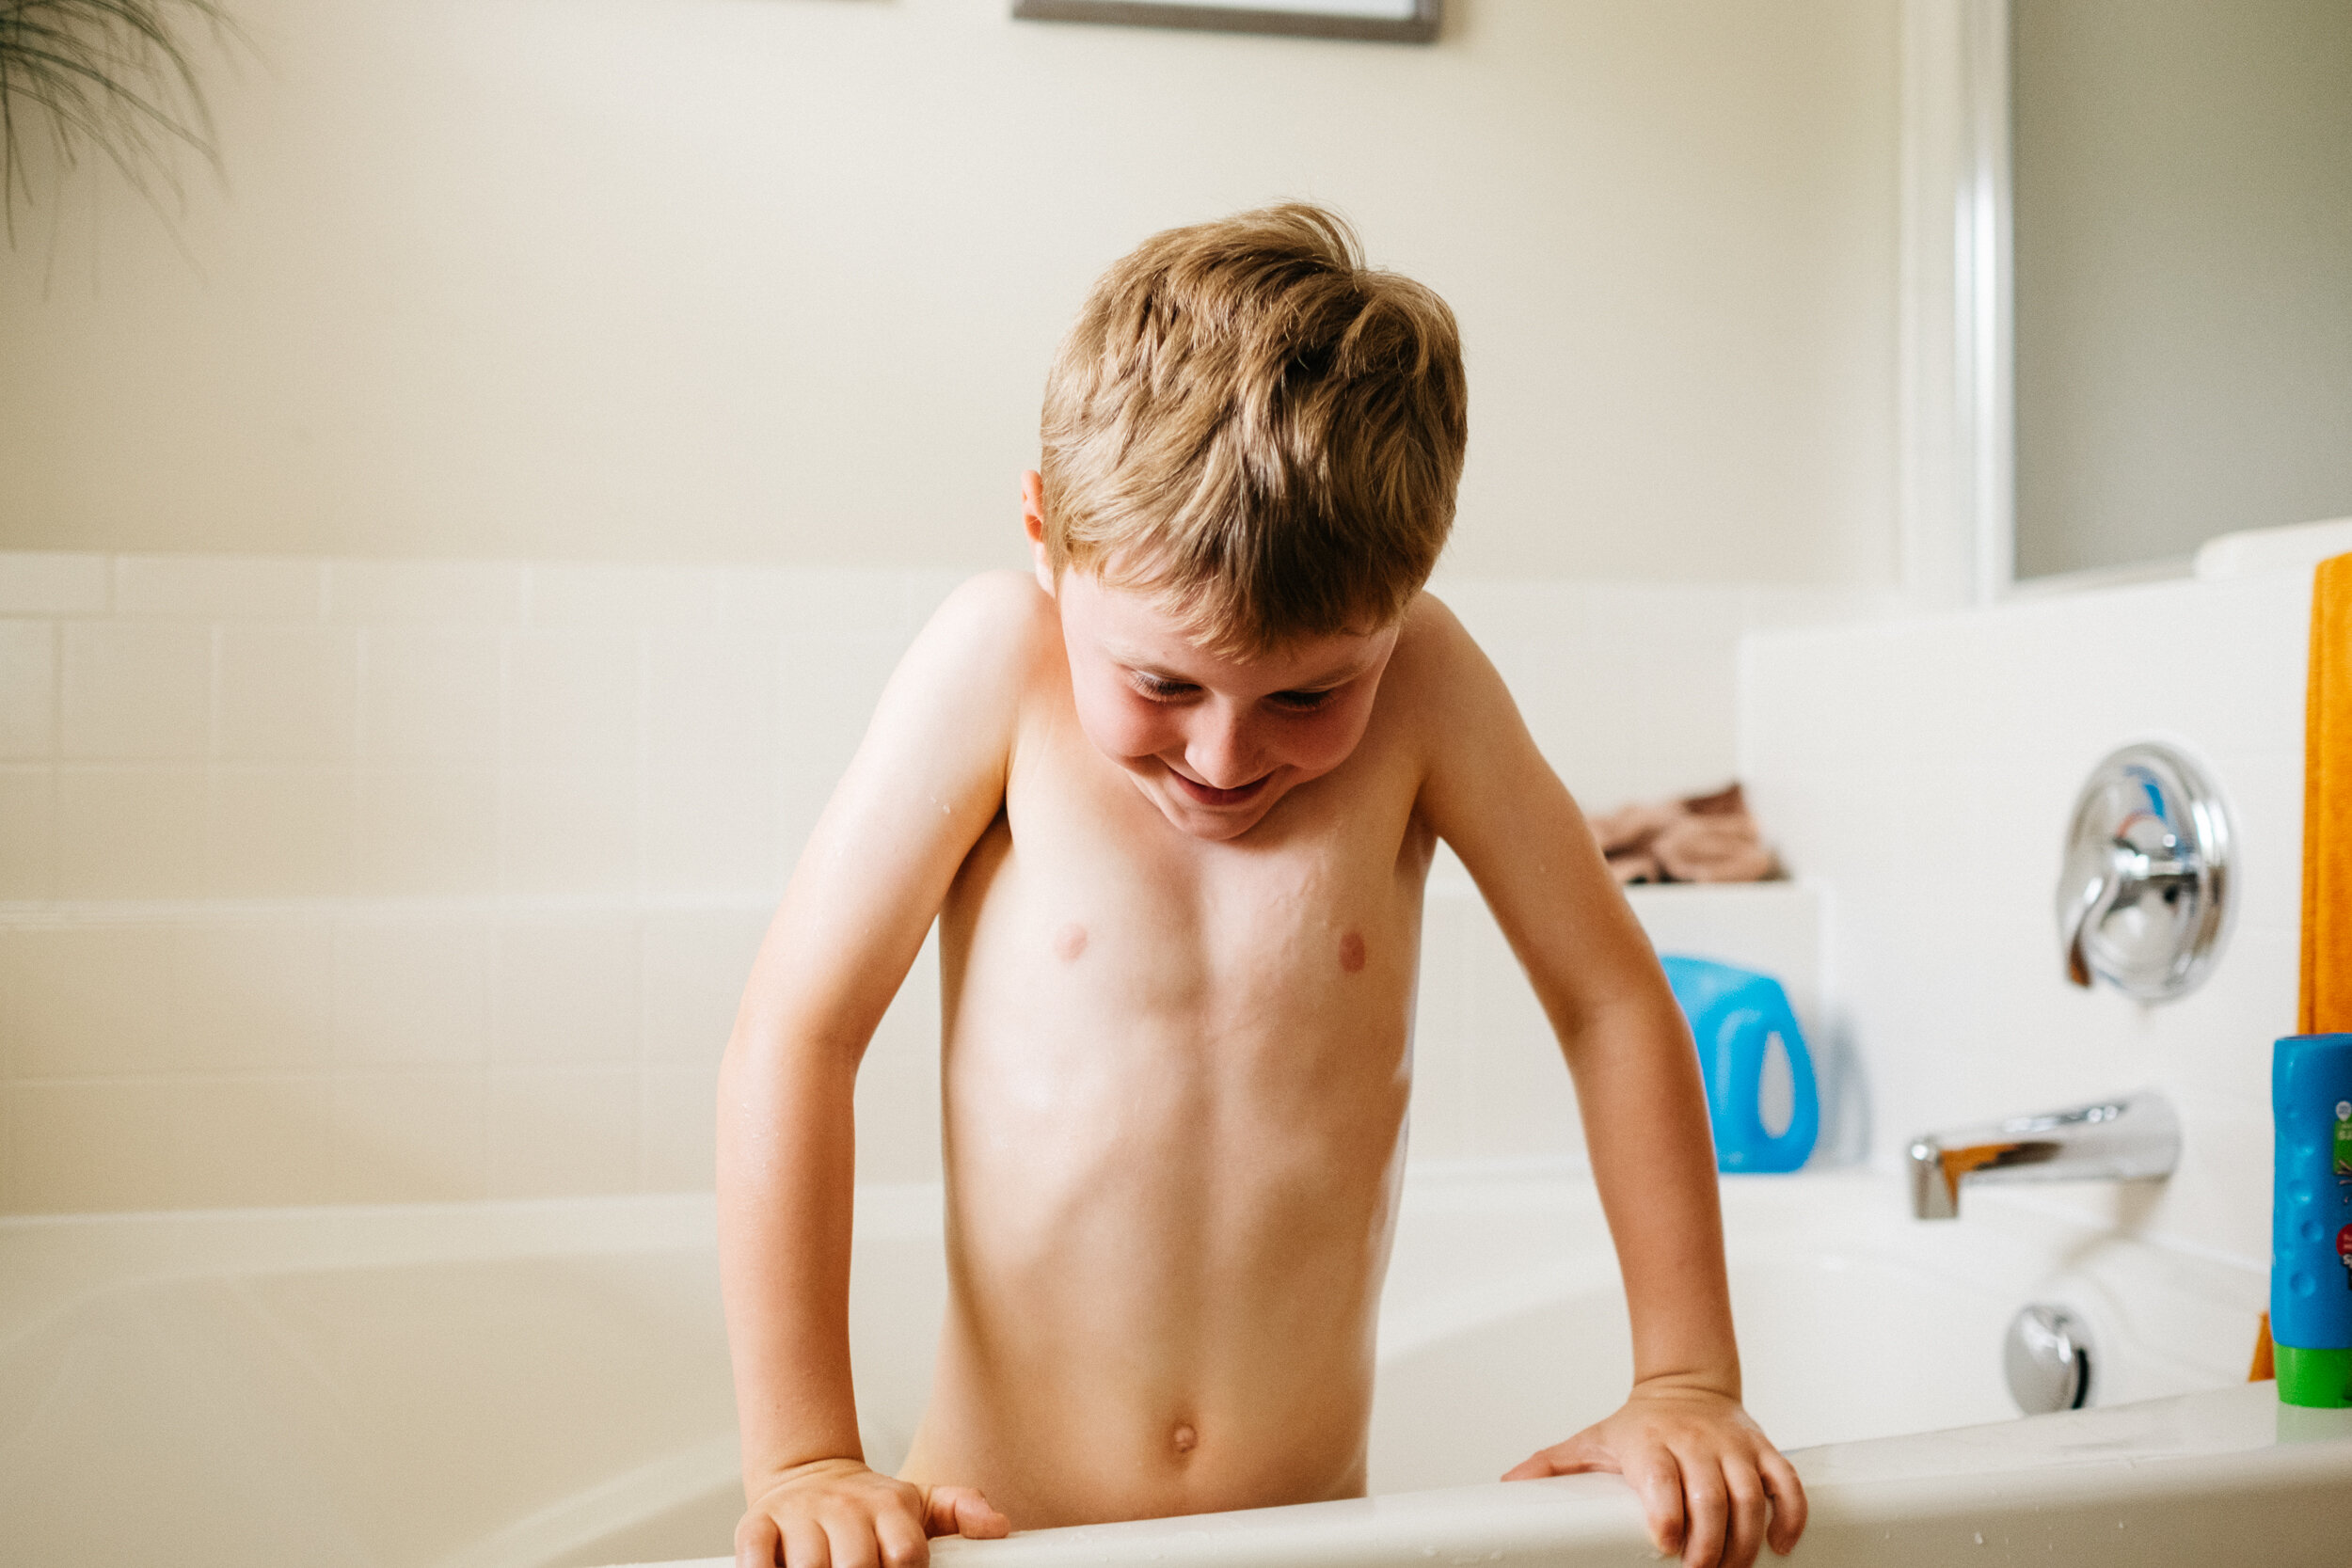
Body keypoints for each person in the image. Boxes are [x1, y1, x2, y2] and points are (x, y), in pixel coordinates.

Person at [718, 203, 1807, 1568]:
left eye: (1308, 693)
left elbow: (1608, 996)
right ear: (1049, 537)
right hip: (1003, 1539)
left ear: (1400, 602)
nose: (1227, 756)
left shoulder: (1428, 687)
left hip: (1304, 1542)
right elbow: (797, 1034)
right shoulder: (998, 666)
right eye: (1161, 683)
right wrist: (807, 1454)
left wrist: (1688, 1380)